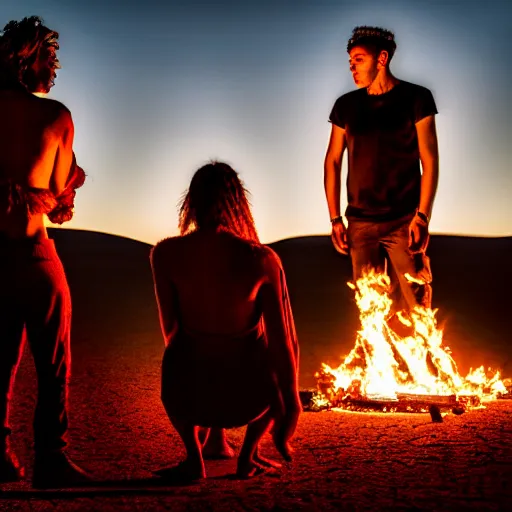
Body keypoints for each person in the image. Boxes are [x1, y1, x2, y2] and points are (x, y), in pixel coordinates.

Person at [150, 162, 301, 480]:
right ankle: (248, 454)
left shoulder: (165, 254)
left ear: (190, 202)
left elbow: (171, 332)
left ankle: (194, 457)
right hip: (251, 401)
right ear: (239, 202)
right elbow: (282, 343)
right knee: (262, 342)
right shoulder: (262, 258)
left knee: (179, 348)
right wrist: (291, 402)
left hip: (190, 399)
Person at [0, 16, 90, 488]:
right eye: (49, 59)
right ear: (26, 59)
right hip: (35, 255)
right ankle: (51, 458)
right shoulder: (55, 116)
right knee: (53, 361)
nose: (54, 69)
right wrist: (69, 185)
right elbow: (58, 203)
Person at [324, 26, 439, 315]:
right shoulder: (345, 106)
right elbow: (333, 161)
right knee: (370, 310)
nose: (352, 67)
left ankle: (424, 360)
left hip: (404, 221)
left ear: (382, 58)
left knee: (419, 306)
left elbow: (430, 159)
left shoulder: (417, 98)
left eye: (359, 59)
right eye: (350, 61)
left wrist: (423, 216)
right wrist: (335, 218)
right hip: (360, 224)